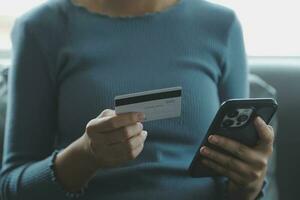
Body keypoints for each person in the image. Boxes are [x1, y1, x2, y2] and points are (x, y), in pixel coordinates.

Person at [0, 0, 275, 199]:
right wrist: (86, 156)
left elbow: (237, 182)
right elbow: (12, 187)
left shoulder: (221, 25)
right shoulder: (41, 28)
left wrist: (248, 185)